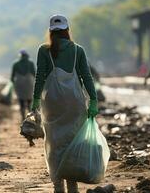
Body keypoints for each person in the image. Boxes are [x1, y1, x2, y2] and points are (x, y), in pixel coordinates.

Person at [31, 14, 98, 193]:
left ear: (51, 32)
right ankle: (72, 186)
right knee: (72, 143)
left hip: (52, 104)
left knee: (54, 143)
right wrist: (93, 100)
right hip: (75, 104)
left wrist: (35, 99)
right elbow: (87, 77)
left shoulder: (44, 50)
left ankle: (58, 186)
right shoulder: (78, 50)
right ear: (67, 30)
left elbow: (40, 77)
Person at [11, 50, 36, 120]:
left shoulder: (15, 64)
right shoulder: (30, 63)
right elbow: (34, 74)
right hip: (29, 84)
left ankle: (23, 117)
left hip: (19, 84)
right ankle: (31, 117)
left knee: (21, 101)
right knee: (29, 101)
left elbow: (12, 77)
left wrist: (13, 85)